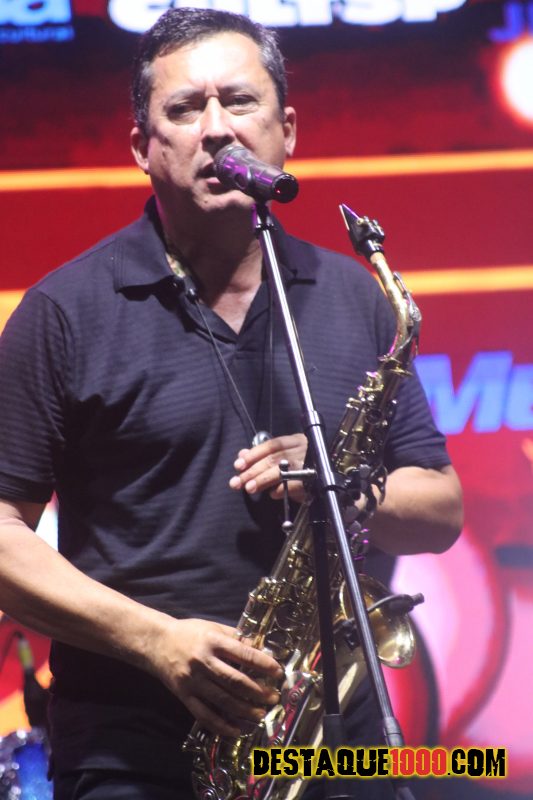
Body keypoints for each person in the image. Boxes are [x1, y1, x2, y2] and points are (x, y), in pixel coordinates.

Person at [0, 8, 463, 800]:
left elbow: (440, 510)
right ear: (141, 147)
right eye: (185, 108)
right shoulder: (63, 312)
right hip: (132, 755)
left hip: (329, 749)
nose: (217, 129)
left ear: (286, 131)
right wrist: (155, 641)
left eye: (240, 101)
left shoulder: (354, 295)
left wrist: (337, 483)